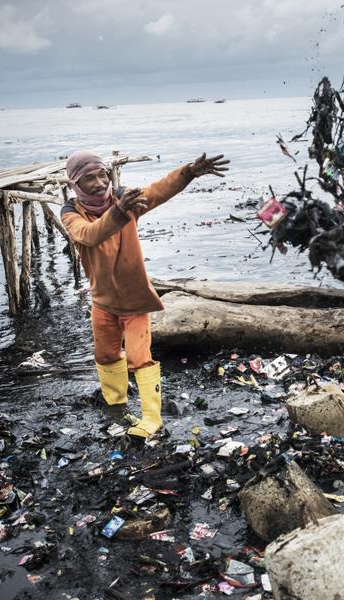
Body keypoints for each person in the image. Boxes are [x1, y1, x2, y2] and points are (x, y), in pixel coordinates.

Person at [61, 150, 229, 438]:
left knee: (140, 357)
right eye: (89, 178)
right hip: (102, 301)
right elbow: (89, 235)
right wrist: (117, 211)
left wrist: (188, 171)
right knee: (105, 355)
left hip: (134, 299)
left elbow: (159, 190)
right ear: (75, 183)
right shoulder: (71, 213)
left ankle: (151, 418)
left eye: (103, 174)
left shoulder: (126, 200)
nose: (100, 182)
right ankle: (116, 405)